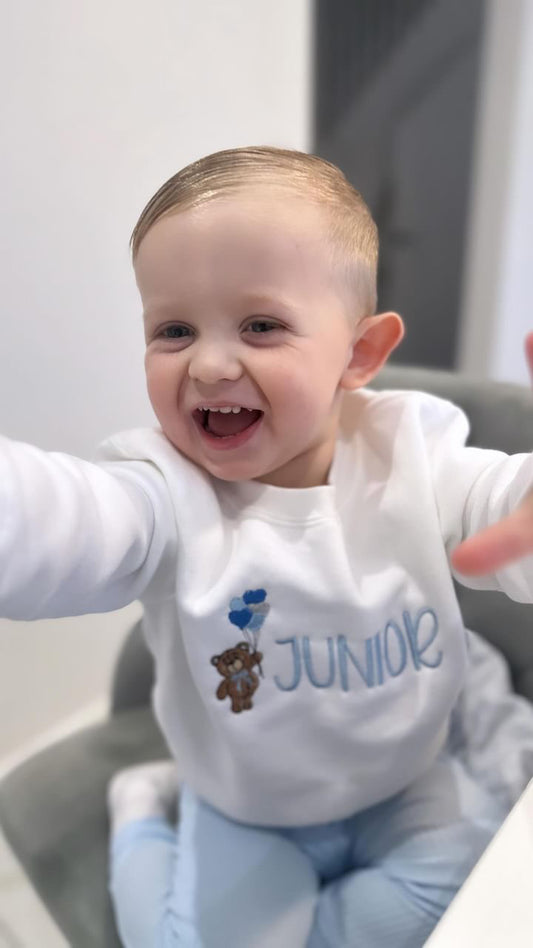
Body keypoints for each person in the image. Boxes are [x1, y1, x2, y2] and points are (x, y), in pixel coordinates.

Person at [1, 146, 533, 948]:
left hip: (404, 782)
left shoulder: (414, 456)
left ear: (358, 353)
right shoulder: (162, 493)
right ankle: (141, 812)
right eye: (173, 330)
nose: (211, 364)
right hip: (246, 807)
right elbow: (61, 519)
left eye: (260, 325)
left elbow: (502, 505)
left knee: (466, 906)